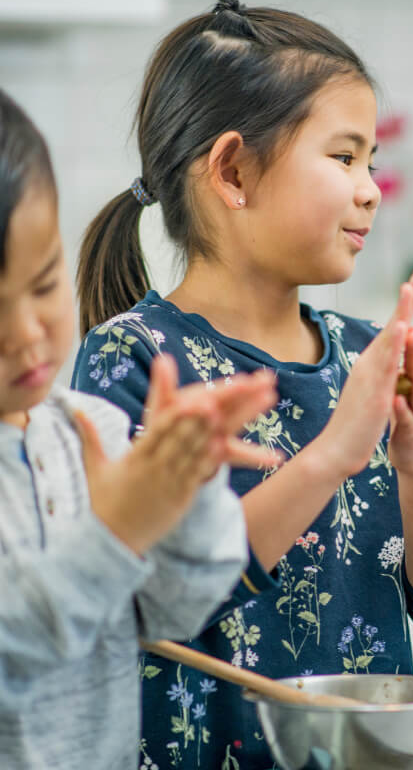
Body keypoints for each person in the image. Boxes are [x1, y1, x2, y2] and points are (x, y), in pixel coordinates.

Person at [71, 0, 413, 769]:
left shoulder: (365, 359)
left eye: (373, 162)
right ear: (233, 170)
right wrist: (335, 450)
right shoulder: (131, 360)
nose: (371, 188)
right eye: (344, 158)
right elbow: (155, 594)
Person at [0, 87, 281, 769]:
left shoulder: (86, 429)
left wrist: (195, 490)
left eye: (41, 286)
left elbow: (169, 610)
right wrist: (116, 534)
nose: (26, 333)